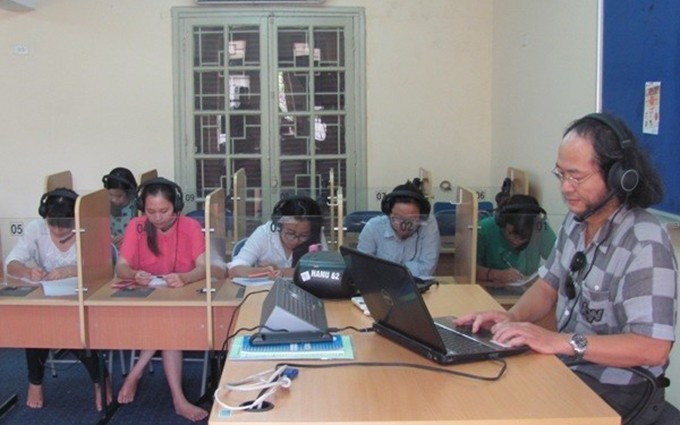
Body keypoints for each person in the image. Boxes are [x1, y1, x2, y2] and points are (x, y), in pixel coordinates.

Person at [456, 112, 677, 425]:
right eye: (561, 175)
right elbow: (548, 287)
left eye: (577, 177)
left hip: (620, 391)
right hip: (570, 369)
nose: (566, 188)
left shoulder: (645, 244)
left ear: (619, 177)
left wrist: (560, 341)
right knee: (480, 393)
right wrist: (511, 319)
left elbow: (653, 348)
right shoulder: (577, 223)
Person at [4, 188, 111, 411]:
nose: (58, 230)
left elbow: (106, 265)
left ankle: (100, 380)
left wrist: (73, 269)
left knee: (77, 330)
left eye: (64, 225)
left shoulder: (87, 228)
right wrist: (26, 271)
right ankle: (35, 382)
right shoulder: (37, 229)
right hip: (49, 296)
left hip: (83, 296)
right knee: (35, 328)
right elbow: (12, 262)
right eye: (53, 224)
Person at [114, 177, 208, 422]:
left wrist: (185, 278)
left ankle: (135, 373)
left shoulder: (190, 226)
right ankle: (178, 400)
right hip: (147, 303)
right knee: (166, 324)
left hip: (183, 303)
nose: (157, 217)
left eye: (164, 211)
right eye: (151, 211)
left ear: (176, 205)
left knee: (169, 324)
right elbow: (121, 267)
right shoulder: (137, 226)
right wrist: (135, 274)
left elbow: (204, 267)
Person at [228, 195, 325, 278]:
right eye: (290, 233)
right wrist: (260, 271)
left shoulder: (315, 234)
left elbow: (324, 271)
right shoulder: (264, 234)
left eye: (304, 235)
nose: (296, 241)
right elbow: (234, 269)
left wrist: (282, 271)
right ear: (278, 225)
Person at [357, 180, 440, 277]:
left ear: (422, 216)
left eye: (412, 219)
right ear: (389, 212)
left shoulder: (428, 224)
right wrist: (404, 271)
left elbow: (427, 269)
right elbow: (362, 268)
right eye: (398, 218)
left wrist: (384, 271)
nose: (404, 225)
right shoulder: (373, 227)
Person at [477, 194, 556, 284]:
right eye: (511, 233)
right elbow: (466, 270)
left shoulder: (540, 230)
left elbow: (559, 261)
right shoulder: (485, 229)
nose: (516, 241)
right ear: (502, 222)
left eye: (523, 237)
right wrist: (497, 275)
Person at [102, 167, 138, 249]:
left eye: (119, 196)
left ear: (130, 192)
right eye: (110, 195)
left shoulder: (136, 207)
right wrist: (109, 240)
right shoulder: (104, 206)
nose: (114, 200)